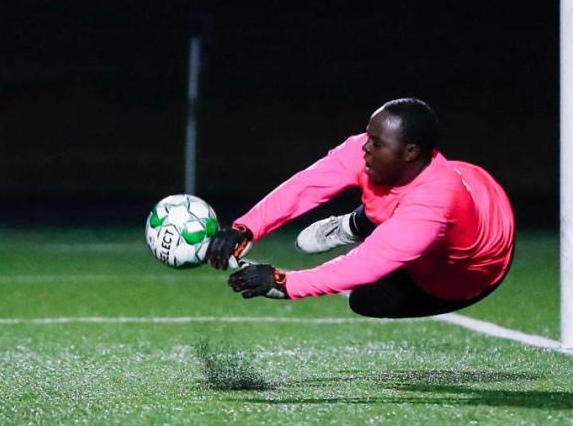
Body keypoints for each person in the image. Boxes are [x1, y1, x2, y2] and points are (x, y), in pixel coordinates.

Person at [204, 98, 515, 318]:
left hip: (471, 272)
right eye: (369, 136)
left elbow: (364, 263)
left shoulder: (431, 209)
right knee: (390, 204)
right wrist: (245, 228)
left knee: (365, 299)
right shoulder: (370, 150)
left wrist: (283, 282)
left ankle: (360, 223)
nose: (364, 146)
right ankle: (355, 224)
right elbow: (308, 184)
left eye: (376, 143)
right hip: (474, 190)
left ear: (410, 152)